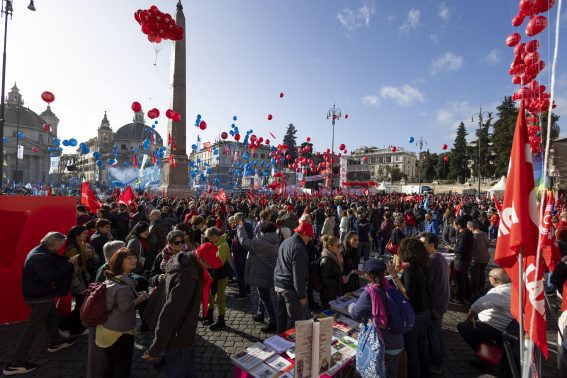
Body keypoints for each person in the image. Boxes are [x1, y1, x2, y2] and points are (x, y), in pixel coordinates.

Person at [4, 232, 78, 376]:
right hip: (39, 298)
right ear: (54, 243)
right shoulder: (41, 257)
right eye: (61, 244)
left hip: (41, 295)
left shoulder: (40, 250)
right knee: (31, 330)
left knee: (52, 317)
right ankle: (15, 364)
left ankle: (57, 342)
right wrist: (68, 264)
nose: (61, 247)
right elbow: (48, 277)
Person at [142, 242, 209, 377]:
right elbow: (168, 315)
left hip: (180, 332)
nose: (212, 267)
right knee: (179, 368)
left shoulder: (184, 260)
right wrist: (155, 350)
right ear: (201, 259)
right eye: (210, 264)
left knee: (185, 363)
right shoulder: (188, 278)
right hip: (178, 334)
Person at [96, 248, 149, 378]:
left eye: (135, 257)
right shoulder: (123, 285)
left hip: (107, 327)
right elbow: (125, 307)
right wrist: (140, 298)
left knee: (111, 363)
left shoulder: (113, 277)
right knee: (122, 366)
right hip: (120, 331)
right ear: (120, 262)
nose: (134, 260)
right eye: (129, 258)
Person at [349, 259, 403, 378]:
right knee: (393, 372)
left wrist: (351, 306)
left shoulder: (370, 292)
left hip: (383, 344)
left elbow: (355, 314)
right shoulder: (391, 285)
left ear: (368, 276)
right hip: (397, 340)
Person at [387, 238, 431, 378]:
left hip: (415, 313)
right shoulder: (424, 266)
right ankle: (426, 372)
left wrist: (394, 275)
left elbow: (407, 293)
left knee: (412, 349)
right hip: (425, 311)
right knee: (422, 345)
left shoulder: (411, 269)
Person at [457, 269, 513, 364]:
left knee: (464, 327)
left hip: (496, 327)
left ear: (494, 280)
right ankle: (489, 352)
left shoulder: (499, 293)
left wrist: (469, 318)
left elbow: (476, 306)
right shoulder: (512, 288)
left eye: (489, 276)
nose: (488, 278)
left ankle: (489, 355)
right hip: (504, 324)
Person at [237, 220, 279, 333]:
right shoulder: (275, 239)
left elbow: (245, 242)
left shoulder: (261, 242)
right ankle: (260, 314)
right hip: (269, 272)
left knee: (265, 297)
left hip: (263, 274)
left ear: (264, 231)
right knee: (263, 294)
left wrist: (241, 228)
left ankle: (273, 321)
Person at [274, 222, 312, 334]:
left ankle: (279, 339)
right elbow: (298, 275)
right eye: (309, 236)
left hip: (278, 283)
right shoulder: (299, 248)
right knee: (293, 320)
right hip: (289, 287)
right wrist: (302, 296)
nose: (309, 239)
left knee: (282, 316)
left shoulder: (286, 241)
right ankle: (289, 345)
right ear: (304, 234)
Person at [420, 232, 450, 374]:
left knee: (434, 334)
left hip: (435, 305)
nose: (421, 246)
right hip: (441, 302)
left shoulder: (432, 260)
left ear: (432, 245)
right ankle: (438, 360)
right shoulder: (439, 257)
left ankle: (437, 363)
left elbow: (426, 284)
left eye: (423, 244)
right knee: (435, 332)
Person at [60, 225, 93, 337]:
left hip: (82, 278)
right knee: (80, 306)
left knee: (81, 305)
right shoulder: (72, 249)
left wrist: (88, 256)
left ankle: (75, 328)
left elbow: (82, 263)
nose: (86, 235)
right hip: (76, 281)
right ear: (77, 235)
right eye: (84, 233)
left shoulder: (81, 245)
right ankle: (64, 325)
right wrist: (78, 286)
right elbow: (72, 270)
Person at [203, 227, 230, 331]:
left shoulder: (222, 245)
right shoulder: (217, 244)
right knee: (211, 295)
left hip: (221, 275)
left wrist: (206, 262)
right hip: (214, 274)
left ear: (215, 236)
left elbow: (219, 263)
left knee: (220, 298)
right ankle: (209, 316)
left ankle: (221, 319)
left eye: (210, 237)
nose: (209, 240)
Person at [449, 217, 474, 304]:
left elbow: (461, 248)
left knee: (460, 279)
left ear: (459, 225)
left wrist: (453, 248)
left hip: (461, 259)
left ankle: (460, 298)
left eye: (454, 225)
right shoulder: (467, 232)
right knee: (465, 277)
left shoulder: (464, 234)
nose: (454, 227)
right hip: (466, 258)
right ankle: (467, 296)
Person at [319, 235, 347, 309]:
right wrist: (340, 279)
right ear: (329, 246)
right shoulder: (326, 260)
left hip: (335, 292)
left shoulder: (335, 257)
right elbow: (324, 281)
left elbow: (339, 272)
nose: (340, 248)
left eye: (340, 245)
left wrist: (341, 262)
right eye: (338, 246)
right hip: (328, 295)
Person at [468, 221, 490, 300]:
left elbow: (471, 248)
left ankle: (474, 291)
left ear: (471, 228)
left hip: (476, 258)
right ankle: (481, 288)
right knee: (481, 273)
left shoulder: (473, 236)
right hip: (485, 257)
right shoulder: (484, 233)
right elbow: (488, 244)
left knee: (474, 276)